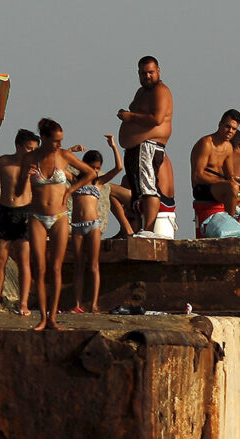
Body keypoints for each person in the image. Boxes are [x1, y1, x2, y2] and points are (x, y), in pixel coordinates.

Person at [20, 118, 96, 331]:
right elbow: (18, 191)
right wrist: (25, 178)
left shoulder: (63, 156)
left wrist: (70, 190)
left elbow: (90, 173)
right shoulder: (30, 158)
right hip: (36, 216)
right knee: (40, 267)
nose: (59, 145)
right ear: (43, 138)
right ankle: (42, 318)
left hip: (60, 216)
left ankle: (52, 317)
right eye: (55, 141)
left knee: (55, 267)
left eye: (61, 140)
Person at [0, 129, 40, 314]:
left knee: (24, 260)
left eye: (34, 149)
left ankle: (23, 303)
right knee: (0, 259)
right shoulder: (4, 161)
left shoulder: (34, 165)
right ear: (19, 146)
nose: (32, 152)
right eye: (29, 148)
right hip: (5, 211)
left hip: (25, 212)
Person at [118, 56, 173, 235]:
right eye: (143, 73)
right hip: (135, 148)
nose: (147, 76)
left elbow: (157, 119)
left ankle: (148, 229)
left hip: (148, 147)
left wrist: (130, 117)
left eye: (150, 72)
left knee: (149, 189)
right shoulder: (141, 92)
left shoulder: (161, 91)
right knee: (139, 190)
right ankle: (138, 228)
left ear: (158, 71)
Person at [69, 136, 124, 313]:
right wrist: (71, 151)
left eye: (98, 168)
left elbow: (119, 168)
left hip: (93, 225)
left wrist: (113, 146)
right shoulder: (74, 180)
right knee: (78, 266)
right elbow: (58, 163)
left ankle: (93, 304)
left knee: (93, 266)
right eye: (92, 167)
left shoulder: (98, 182)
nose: (95, 171)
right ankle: (76, 304)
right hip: (77, 226)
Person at [190, 110, 240, 238]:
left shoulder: (228, 147)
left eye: (234, 129)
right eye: (227, 126)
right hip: (202, 188)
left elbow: (229, 175)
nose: (230, 131)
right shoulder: (206, 143)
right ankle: (229, 225)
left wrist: (238, 182)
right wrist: (225, 183)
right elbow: (198, 176)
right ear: (220, 125)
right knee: (232, 188)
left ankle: (238, 223)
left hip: (220, 188)